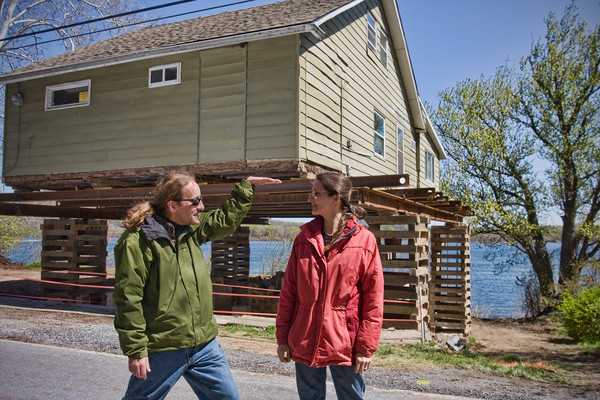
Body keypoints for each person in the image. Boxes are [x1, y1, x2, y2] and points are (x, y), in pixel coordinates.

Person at [113, 172, 281, 400]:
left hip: (204, 346)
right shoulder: (136, 242)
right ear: (172, 205)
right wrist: (136, 351)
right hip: (164, 347)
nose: (202, 206)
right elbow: (128, 299)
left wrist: (246, 188)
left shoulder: (191, 230)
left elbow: (224, 221)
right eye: (195, 201)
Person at [276, 171, 384, 400]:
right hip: (305, 339)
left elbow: (374, 299)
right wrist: (283, 338)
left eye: (316, 193)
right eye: (311, 193)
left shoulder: (364, 240)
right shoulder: (303, 239)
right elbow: (289, 293)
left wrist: (366, 347)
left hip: (345, 342)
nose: (310, 198)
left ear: (336, 198)